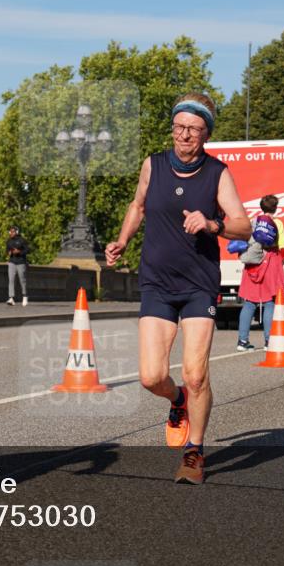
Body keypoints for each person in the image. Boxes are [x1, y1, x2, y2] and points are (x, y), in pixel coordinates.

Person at [105, 92, 250, 484]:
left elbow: (243, 225)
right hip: (156, 281)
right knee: (152, 377)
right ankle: (177, 401)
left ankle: (194, 452)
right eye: (179, 126)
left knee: (195, 373)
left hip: (199, 284)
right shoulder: (152, 165)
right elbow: (138, 205)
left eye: (194, 129)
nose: (184, 135)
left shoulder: (218, 174)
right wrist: (122, 240)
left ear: (206, 134)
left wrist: (211, 224)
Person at [236, 195, 284, 350]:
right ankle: (268, 341)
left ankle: (242, 341)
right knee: (269, 302)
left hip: (252, 265)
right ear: (275, 208)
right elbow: (283, 245)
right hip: (270, 262)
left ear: (261, 207)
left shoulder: (253, 221)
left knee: (249, 302)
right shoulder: (277, 223)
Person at [5, 225, 29, 306]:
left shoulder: (22, 240)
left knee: (22, 280)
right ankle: (11, 298)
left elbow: (27, 250)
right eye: (10, 231)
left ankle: (25, 296)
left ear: (17, 232)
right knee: (11, 280)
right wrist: (9, 252)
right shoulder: (9, 241)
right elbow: (7, 250)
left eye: (12, 231)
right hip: (12, 262)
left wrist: (19, 252)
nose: (10, 233)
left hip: (21, 262)